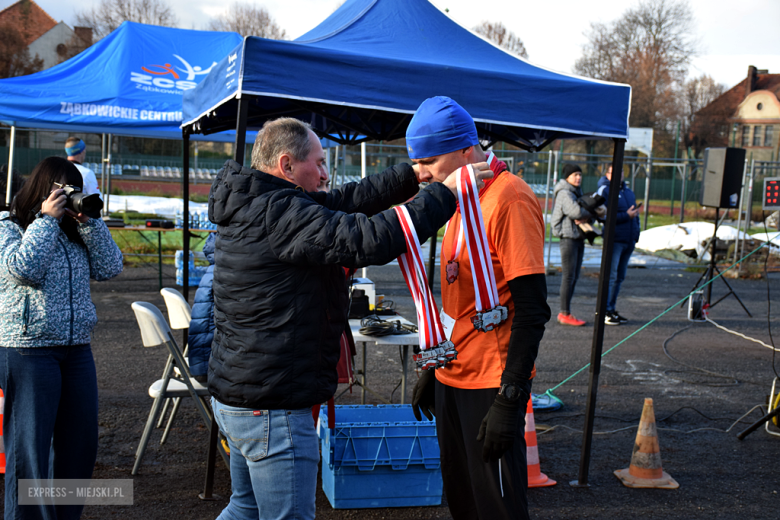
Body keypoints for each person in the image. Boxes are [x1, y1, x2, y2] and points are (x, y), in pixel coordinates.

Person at [207, 117, 491, 520]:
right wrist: (444, 194)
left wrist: (410, 176)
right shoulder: (281, 212)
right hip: (272, 405)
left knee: (245, 508)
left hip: (243, 395)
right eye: (319, 163)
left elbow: (345, 200)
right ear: (287, 166)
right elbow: (369, 238)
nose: (326, 173)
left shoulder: (257, 201)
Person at [408, 96, 550, 520]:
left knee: (497, 510)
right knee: (463, 502)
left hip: (491, 384)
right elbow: (457, 307)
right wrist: (434, 366)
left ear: (467, 151)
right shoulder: (454, 196)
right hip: (453, 377)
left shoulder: (509, 199)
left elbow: (531, 309)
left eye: (429, 160)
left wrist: (511, 397)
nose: (420, 173)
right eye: (416, 161)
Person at [0, 156, 123, 519]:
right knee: (30, 452)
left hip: (76, 349)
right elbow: (24, 270)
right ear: (44, 190)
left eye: (76, 192)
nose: (72, 198)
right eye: (65, 191)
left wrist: (90, 224)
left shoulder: (75, 233)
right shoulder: (9, 226)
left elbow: (110, 267)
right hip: (28, 350)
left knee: (78, 447)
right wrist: (45, 221)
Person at [597, 165, 640, 325]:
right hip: (614, 240)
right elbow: (602, 215)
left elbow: (635, 214)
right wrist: (626, 216)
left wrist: (636, 233)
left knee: (619, 277)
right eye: (614, 172)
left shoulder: (628, 191)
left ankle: (612, 309)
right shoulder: (605, 191)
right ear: (607, 174)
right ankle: (605, 311)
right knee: (611, 275)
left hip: (629, 239)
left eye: (621, 171)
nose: (619, 175)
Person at [551, 163, 593, 326]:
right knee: (568, 276)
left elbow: (584, 211)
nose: (578, 177)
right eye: (575, 174)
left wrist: (587, 214)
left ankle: (566, 312)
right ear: (567, 177)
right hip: (567, 237)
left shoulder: (576, 192)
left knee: (574, 275)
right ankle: (564, 313)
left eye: (580, 175)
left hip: (577, 236)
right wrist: (590, 212)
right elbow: (575, 212)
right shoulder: (564, 193)